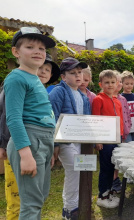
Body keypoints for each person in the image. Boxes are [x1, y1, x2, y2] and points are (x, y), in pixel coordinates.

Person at [3, 27, 56, 219]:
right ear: (16, 52)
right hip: (28, 141)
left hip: (43, 142)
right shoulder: (16, 78)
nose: (38, 51)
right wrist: (25, 154)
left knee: (39, 198)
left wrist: (49, 148)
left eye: (42, 49)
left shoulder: (35, 79)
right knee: (31, 204)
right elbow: (14, 119)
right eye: (30, 46)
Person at [49, 57, 90, 219]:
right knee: (75, 168)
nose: (78, 76)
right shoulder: (58, 92)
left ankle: (79, 203)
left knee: (83, 169)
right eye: (73, 73)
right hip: (65, 142)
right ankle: (69, 208)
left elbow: (86, 121)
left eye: (80, 72)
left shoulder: (83, 97)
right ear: (63, 77)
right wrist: (56, 144)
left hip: (81, 142)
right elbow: (52, 117)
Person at [92, 70, 124, 208]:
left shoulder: (117, 100)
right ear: (101, 84)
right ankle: (102, 195)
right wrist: (98, 140)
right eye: (107, 82)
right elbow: (95, 120)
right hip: (105, 140)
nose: (110, 85)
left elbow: (121, 120)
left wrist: (121, 136)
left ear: (117, 83)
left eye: (112, 82)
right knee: (105, 167)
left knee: (113, 166)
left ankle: (110, 192)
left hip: (117, 139)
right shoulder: (98, 100)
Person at [111, 70, 132, 193]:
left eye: (119, 81)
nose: (118, 84)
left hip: (122, 133)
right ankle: (114, 181)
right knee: (112, 159)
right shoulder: (107, 98)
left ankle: (118, 179)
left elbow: (127, 116)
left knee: (119, 157)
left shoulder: (123, 99)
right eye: (117, 81)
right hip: (111, 135)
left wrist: (127, 129)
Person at [121, 71, 134, 142]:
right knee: (128, 149)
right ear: (122, 83)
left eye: (131, 84)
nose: (129, 86)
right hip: (126, 130)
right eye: (127, 84)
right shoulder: (120, 98)